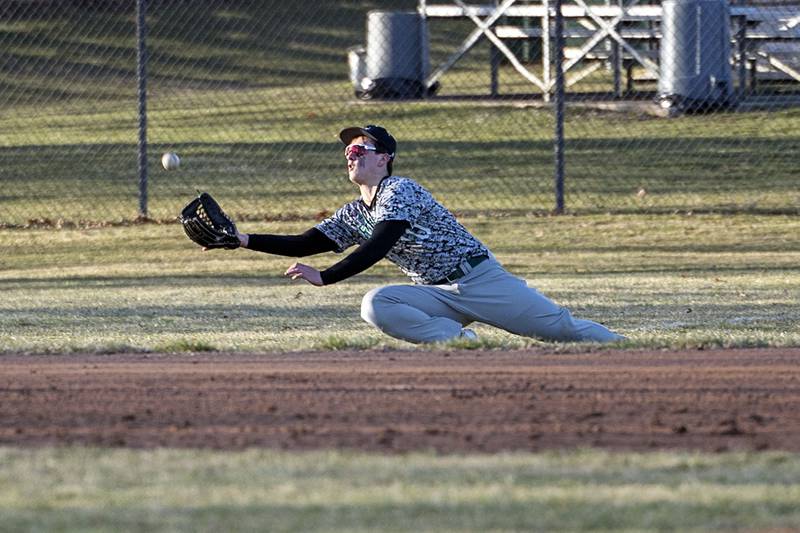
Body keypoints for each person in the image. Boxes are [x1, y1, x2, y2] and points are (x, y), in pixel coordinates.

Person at [234, 124, 624, 344]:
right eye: (349, 150)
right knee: (377, 304)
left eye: (361, 149)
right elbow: (306, 243)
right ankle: (463, 344)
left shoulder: (400, 189)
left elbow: (381, 242)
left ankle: (627, 348)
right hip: (436, 294)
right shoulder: (355, 211)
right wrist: (241, 239)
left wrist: (327, 276)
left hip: (479, 279)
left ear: (384, 158)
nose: (352, 154)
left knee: (562, 330)